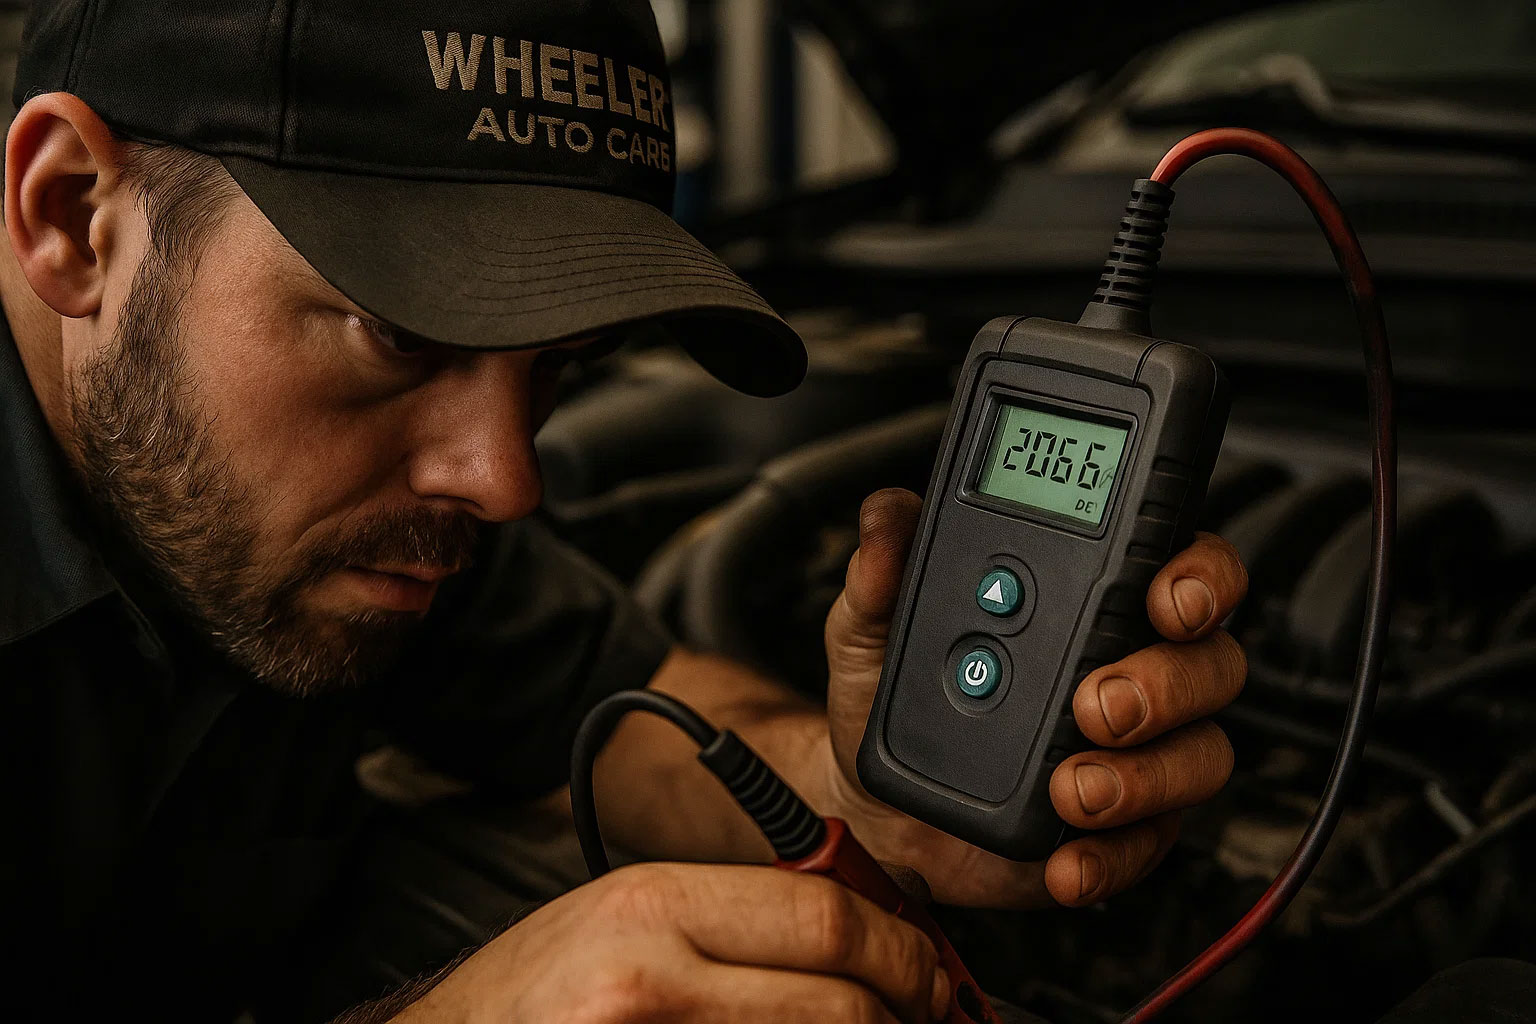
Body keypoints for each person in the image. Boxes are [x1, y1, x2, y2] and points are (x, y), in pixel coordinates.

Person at [0, 1, 1250, 1021]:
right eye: (398, 332)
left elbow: (621, 716)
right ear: (72, 217)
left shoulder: (363, 519)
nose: (503, 478)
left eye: (558, 366)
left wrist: (887, 792)